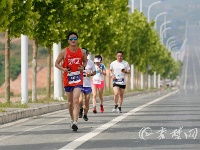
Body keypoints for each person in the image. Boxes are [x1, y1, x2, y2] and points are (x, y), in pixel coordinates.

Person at [55, 32, 87, 131]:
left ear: (77, 40)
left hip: (78, 78)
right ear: (68, 41)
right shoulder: (64, 52)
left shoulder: (82, 52)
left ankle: (75, 122)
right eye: (71, 39)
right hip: (68, 79)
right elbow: (56, 63)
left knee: (76, 100)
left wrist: (83, 66)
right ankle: (72, 119)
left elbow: (85, 61)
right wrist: (63, 69)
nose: (73, 40)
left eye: (75, 38)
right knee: (70, 103)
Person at [79, 48, 96, 121]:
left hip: (87, 85)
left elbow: (94, 72)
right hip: (79, 84)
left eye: (84, 53)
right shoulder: (78, 62)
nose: (82, 55)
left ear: (87, 54)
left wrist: (90, 74)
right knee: (80, 101)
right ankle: (80, 109)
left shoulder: (91, 63)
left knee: (87, 100)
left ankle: (85, 114)